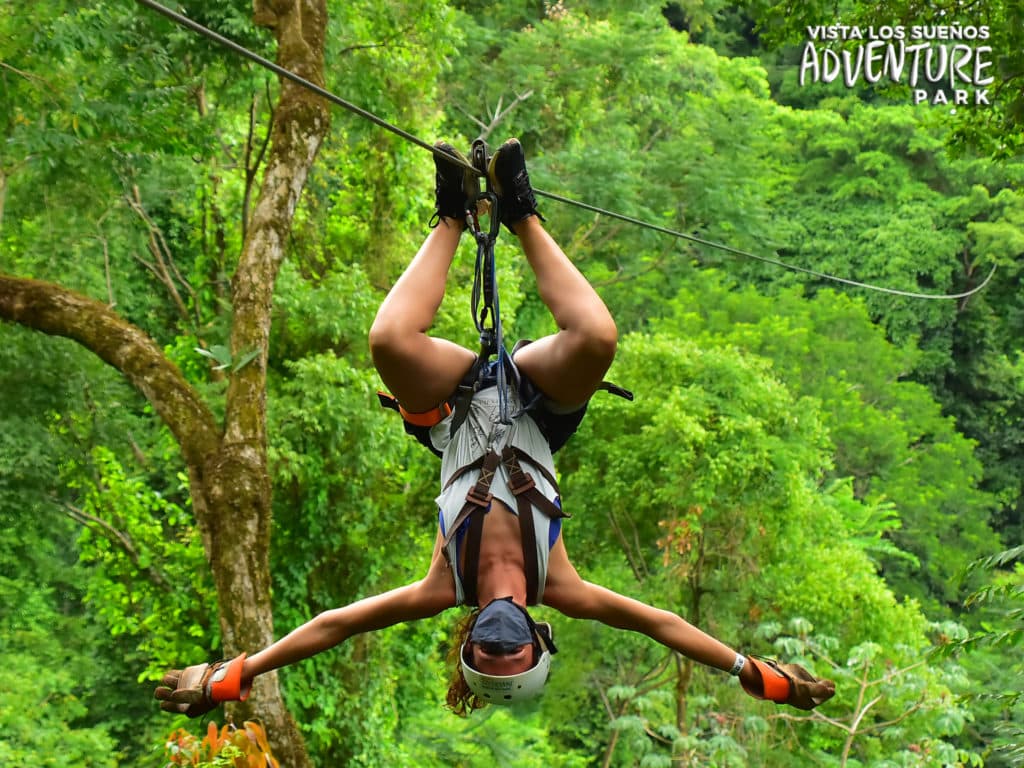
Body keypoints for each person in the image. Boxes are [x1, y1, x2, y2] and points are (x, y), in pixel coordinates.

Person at [154, 139, 835, 718]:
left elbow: (334, 626)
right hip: (539, 404)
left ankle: (452, 214)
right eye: (517, 652)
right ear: (540, 640)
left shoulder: (441, 585)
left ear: (466, 645)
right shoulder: (560, 584)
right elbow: (660, 624)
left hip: (453, 409)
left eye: (490, 654)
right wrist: (751, 671)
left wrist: (238, 675)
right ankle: (520, 213)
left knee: (390, 339)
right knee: (596, 337)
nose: (502, 644)